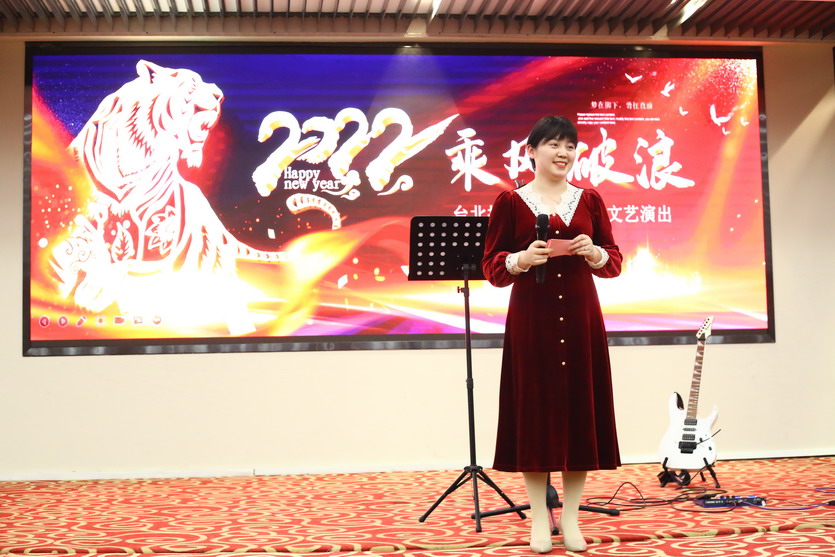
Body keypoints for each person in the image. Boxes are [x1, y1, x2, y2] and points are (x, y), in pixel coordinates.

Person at [481, 116, 622, 553]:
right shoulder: (510, 201)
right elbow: (492, 267)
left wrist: (594, 251)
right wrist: (521, 259)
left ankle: (572, 518)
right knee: (535, 417)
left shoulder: (590, 199)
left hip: (581, 319)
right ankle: (539, 520)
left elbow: (615, 261)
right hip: (532, 323)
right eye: (554, 144)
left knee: (579, 415)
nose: (563, 153)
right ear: (531, 151)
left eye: (570, 146)